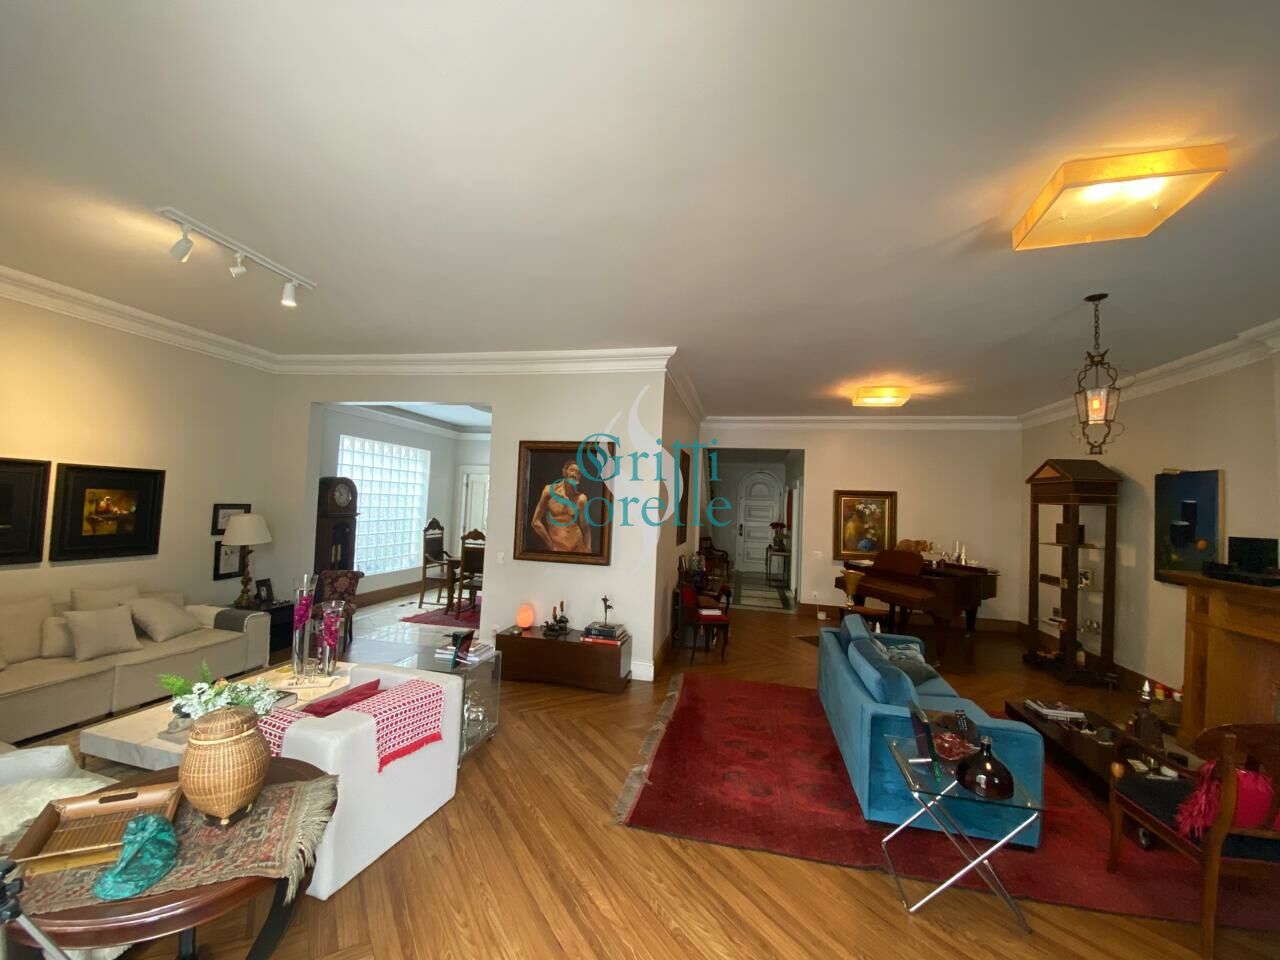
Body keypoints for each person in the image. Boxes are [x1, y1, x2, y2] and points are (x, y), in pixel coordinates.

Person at [531, 460, 592, 552]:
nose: (574, 474)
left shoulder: (581, 499)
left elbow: (585, 527)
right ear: (564, 472)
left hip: (578, 547)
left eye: (578, 473)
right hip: (559, 548)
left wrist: (588, 548)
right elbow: (535, 522)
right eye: (572, 470)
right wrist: (552, 546)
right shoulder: (549, 492)